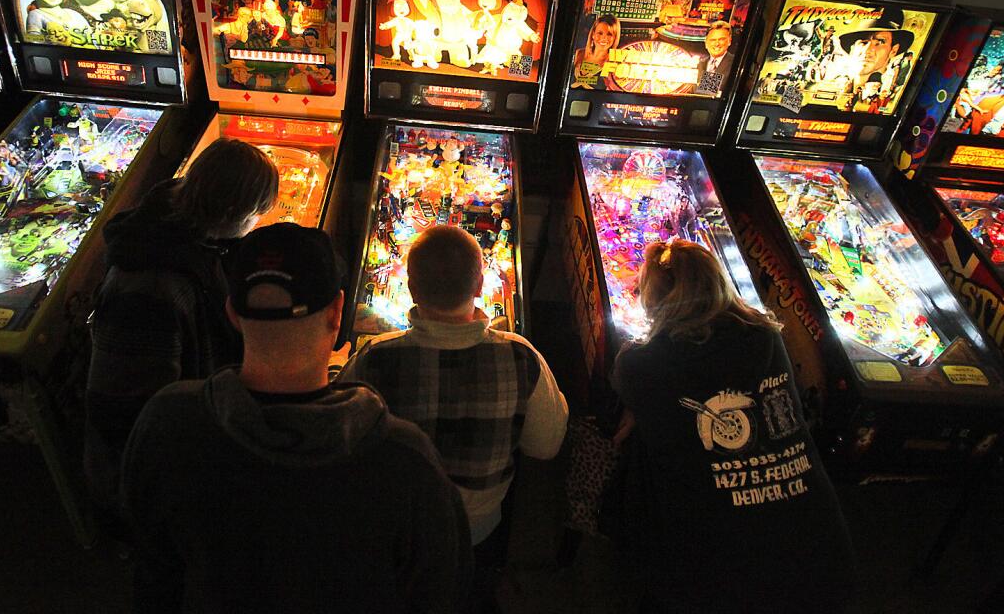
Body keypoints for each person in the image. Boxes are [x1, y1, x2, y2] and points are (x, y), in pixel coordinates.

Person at [123, 223, 471, 614]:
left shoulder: (166, 423)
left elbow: (153, 574)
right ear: (337, 313)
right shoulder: (407, 458)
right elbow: (436, 593)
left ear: (232, 314)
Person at [610, 240, 855, 614]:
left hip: (714, 567)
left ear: (657, 302)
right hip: (817, 546)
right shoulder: (767, 337)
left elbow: (632, 385)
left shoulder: (642, 363)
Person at [339, 226, 568, 553]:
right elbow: (546, 445)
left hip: (396, 525)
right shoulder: (522, 357)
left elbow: (342, 440)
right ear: (478, 285)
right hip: (478, 527)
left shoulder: (375, 357)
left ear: (412, 289)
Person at [84, 138, 280, 512]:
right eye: (257, 214)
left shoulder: (183, 228)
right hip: (146, 479)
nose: (258, 223)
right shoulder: (148, 292)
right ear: (230, 211)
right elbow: (135, 414)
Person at [571, 14, 620, 89]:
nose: (604, 38)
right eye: (600, 33)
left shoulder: (614, 64)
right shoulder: (579, 53)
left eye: (609, 34)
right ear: (593, 34)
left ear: (615, 38)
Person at [695, 20, 734, 93]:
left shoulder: (735, 63)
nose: (717, 44)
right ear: (706, 43)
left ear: (729, 41)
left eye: (721, 39)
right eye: (712, 40)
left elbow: (708, 92)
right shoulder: (699, 64)